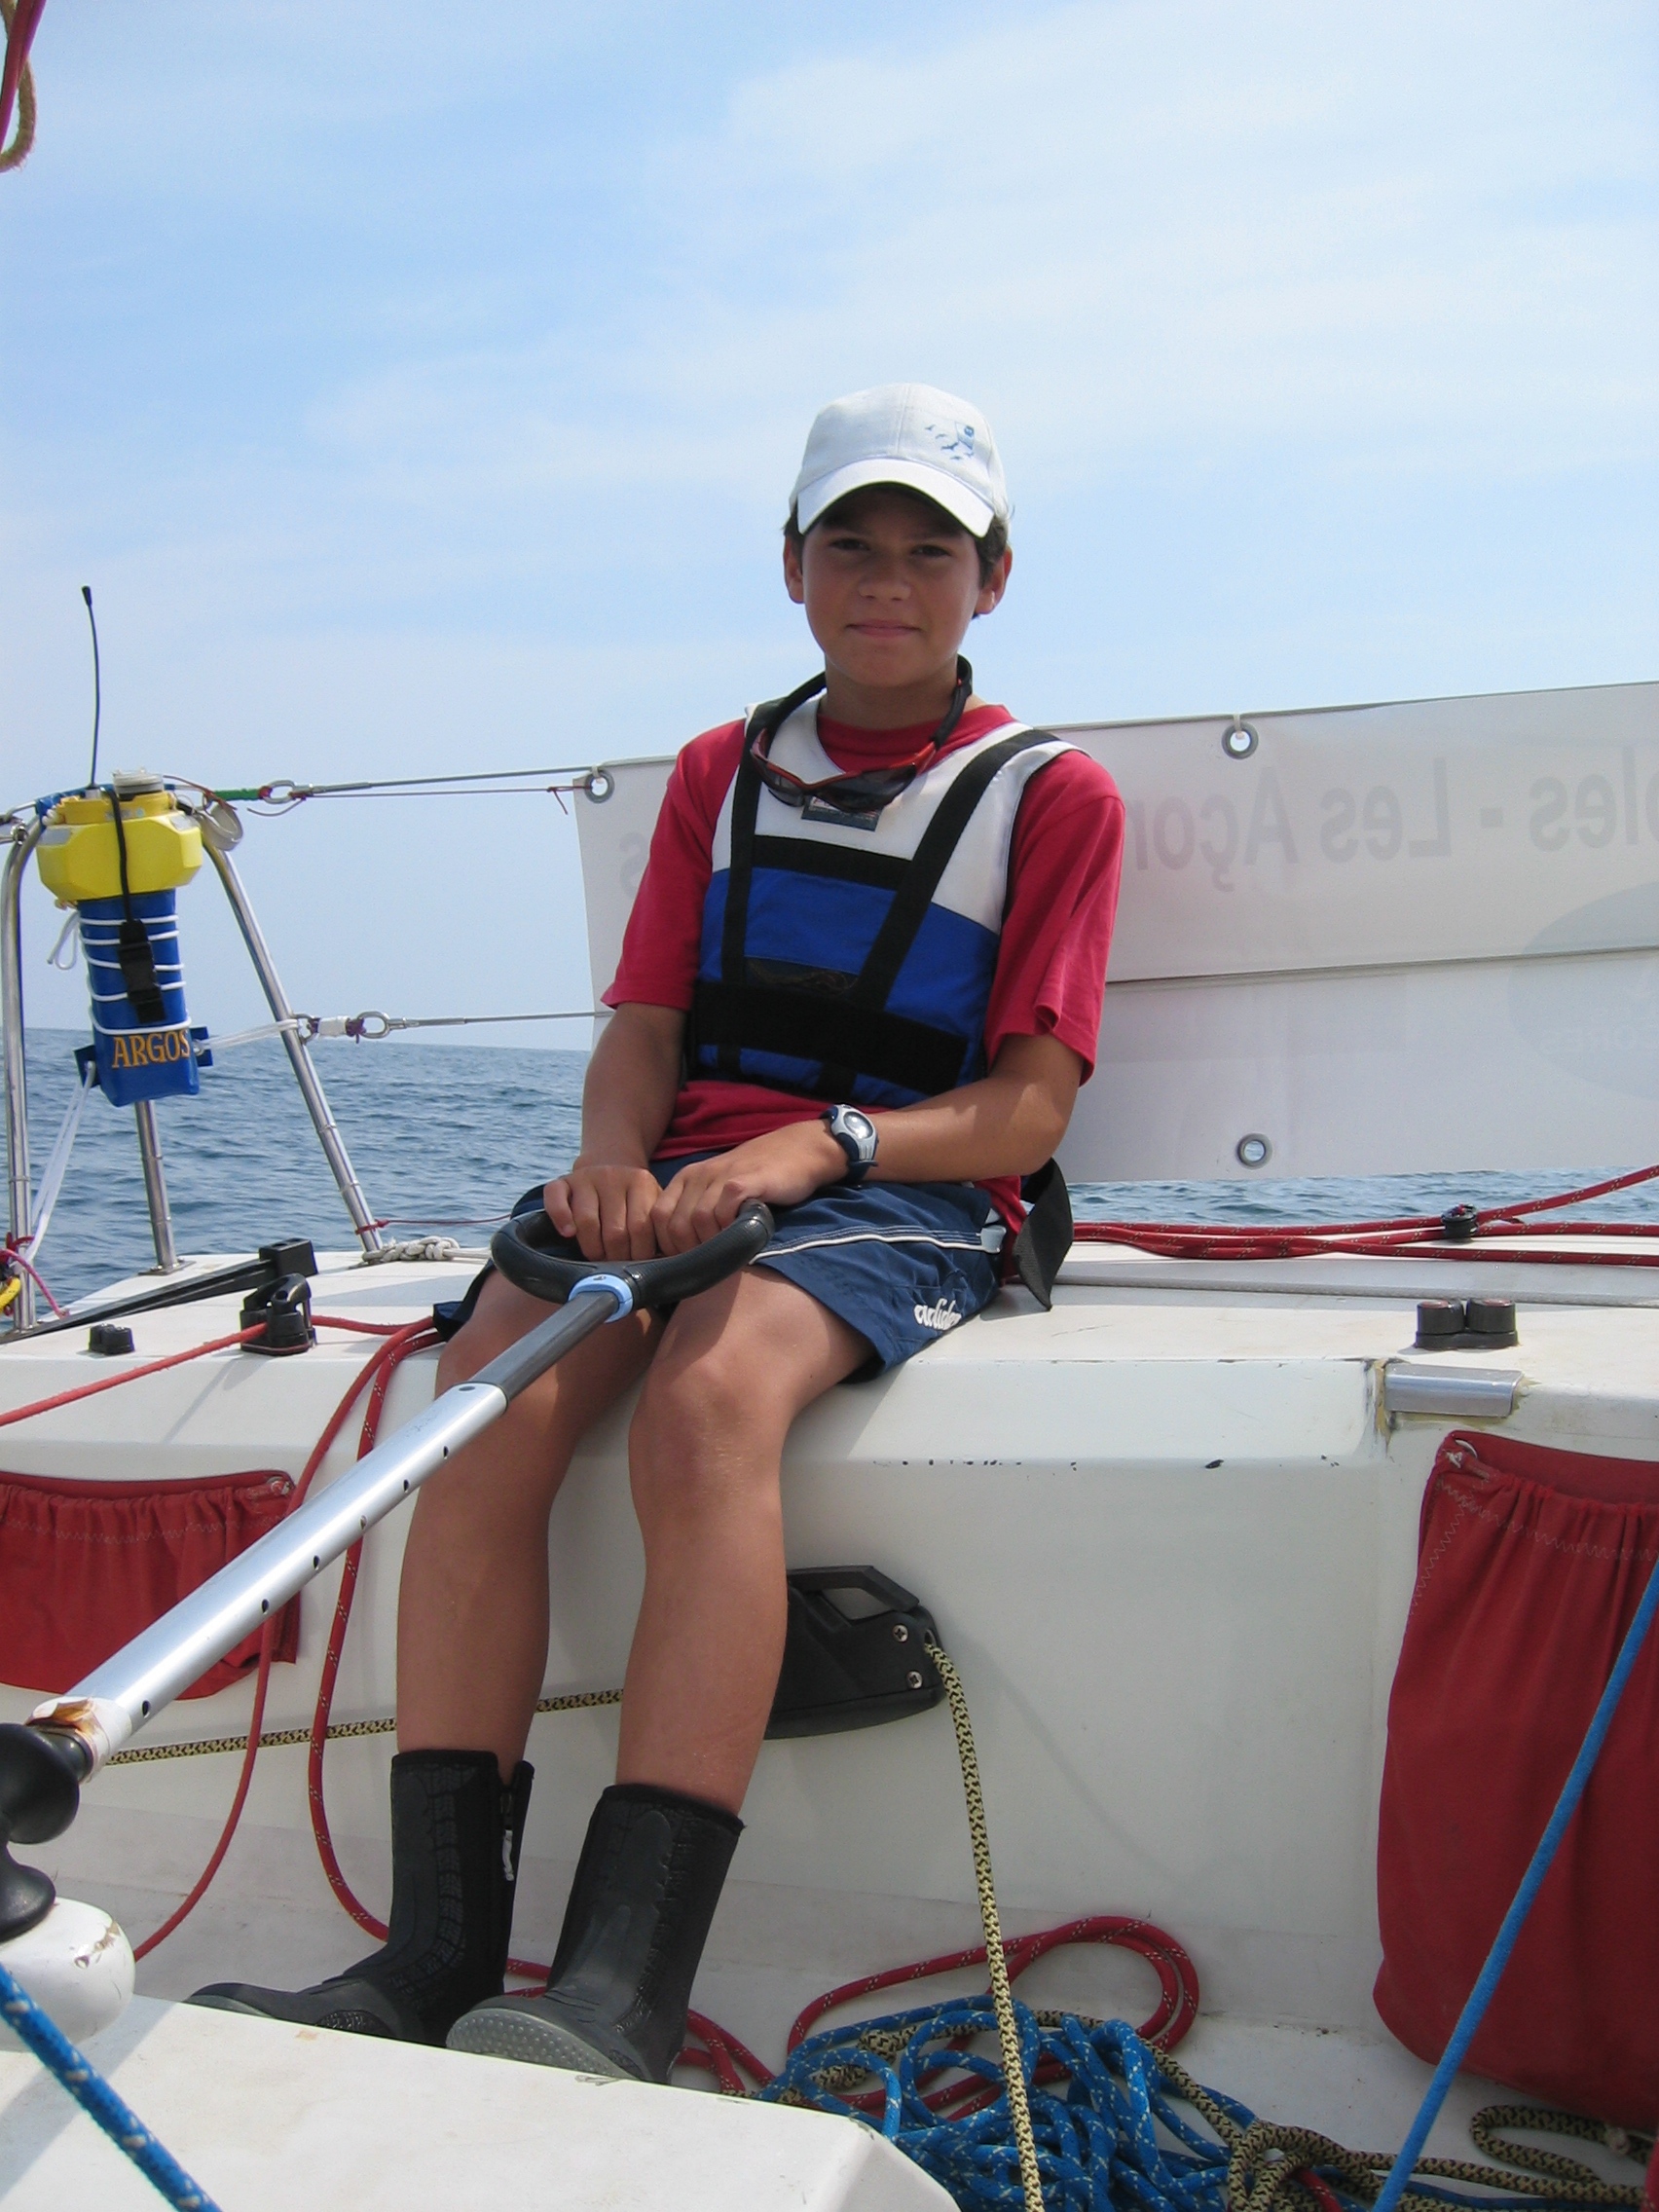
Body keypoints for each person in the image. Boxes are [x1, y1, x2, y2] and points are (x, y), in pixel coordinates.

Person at [194, 382, 1125, 2083]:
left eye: (931, 552)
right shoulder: (718, 771)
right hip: (679, 1174)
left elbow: (1027, 1114)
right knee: (482, 1409)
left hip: (900, 1191)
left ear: (992, 581)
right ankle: (433, 1957)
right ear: (792, 565)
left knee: (707, 1402)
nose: (887, 582)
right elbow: (643, 1026)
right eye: (852, 544)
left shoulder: (1053, 798)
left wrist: (820, 1146)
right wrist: (611, 1160)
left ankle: (620, 1986)